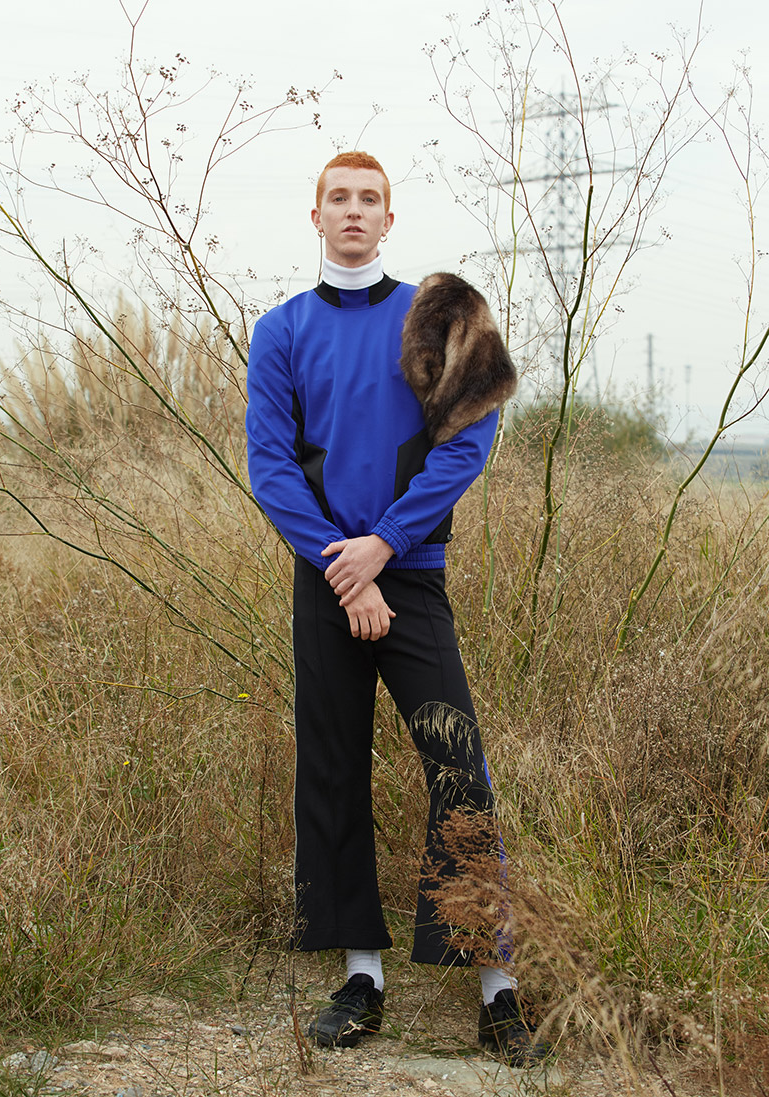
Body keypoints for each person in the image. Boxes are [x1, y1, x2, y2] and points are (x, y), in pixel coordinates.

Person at [245, 151, 547, 1065]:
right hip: (326, 575)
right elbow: (270, 466)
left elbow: (467, 446)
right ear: (315, 215)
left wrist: (383, 546)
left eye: (369, 199)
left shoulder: (440, 316)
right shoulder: (281, 331)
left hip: (410, 573)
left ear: (389, 217)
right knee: (333, 768)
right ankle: (362, 977)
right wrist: (345, 566)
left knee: (459, 764)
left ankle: (496, 990)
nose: (353, 210)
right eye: (337, 197)